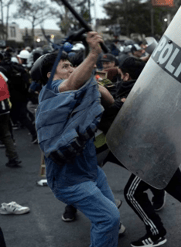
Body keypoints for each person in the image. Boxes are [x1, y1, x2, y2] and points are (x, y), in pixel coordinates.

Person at [100, 56, 181, 247]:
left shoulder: (133, 95)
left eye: (121, 75)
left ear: (127, 75)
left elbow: (111, 115)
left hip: (152, 155)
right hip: (164, 149)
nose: (119, 79)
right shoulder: (144, 88)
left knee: (131, 193)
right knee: (178, 188)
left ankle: (156, 233)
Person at [35, 32, 120, 247]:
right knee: (109, 218)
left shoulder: (79, 89)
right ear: (49, 74)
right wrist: (94, 54)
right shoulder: (51, 91)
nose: (71, 69)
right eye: (65, 66)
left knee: (109, 217)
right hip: (69, 180)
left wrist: (93, 85)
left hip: (91, 170)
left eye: (71, 66)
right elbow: (69, 85)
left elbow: (109, 101)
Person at [0, 52, 37, 144]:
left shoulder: (3, 69)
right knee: (21, 115)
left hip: (11, 96)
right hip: (22, 94)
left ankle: (10, 140)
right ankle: (33, 133)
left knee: (17, 117)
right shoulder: (14, 66)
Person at [0, 66, 21, 168]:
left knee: (5, 134)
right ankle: (13, 158)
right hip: (5, 107)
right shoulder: (0, 74)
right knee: (6, 134)